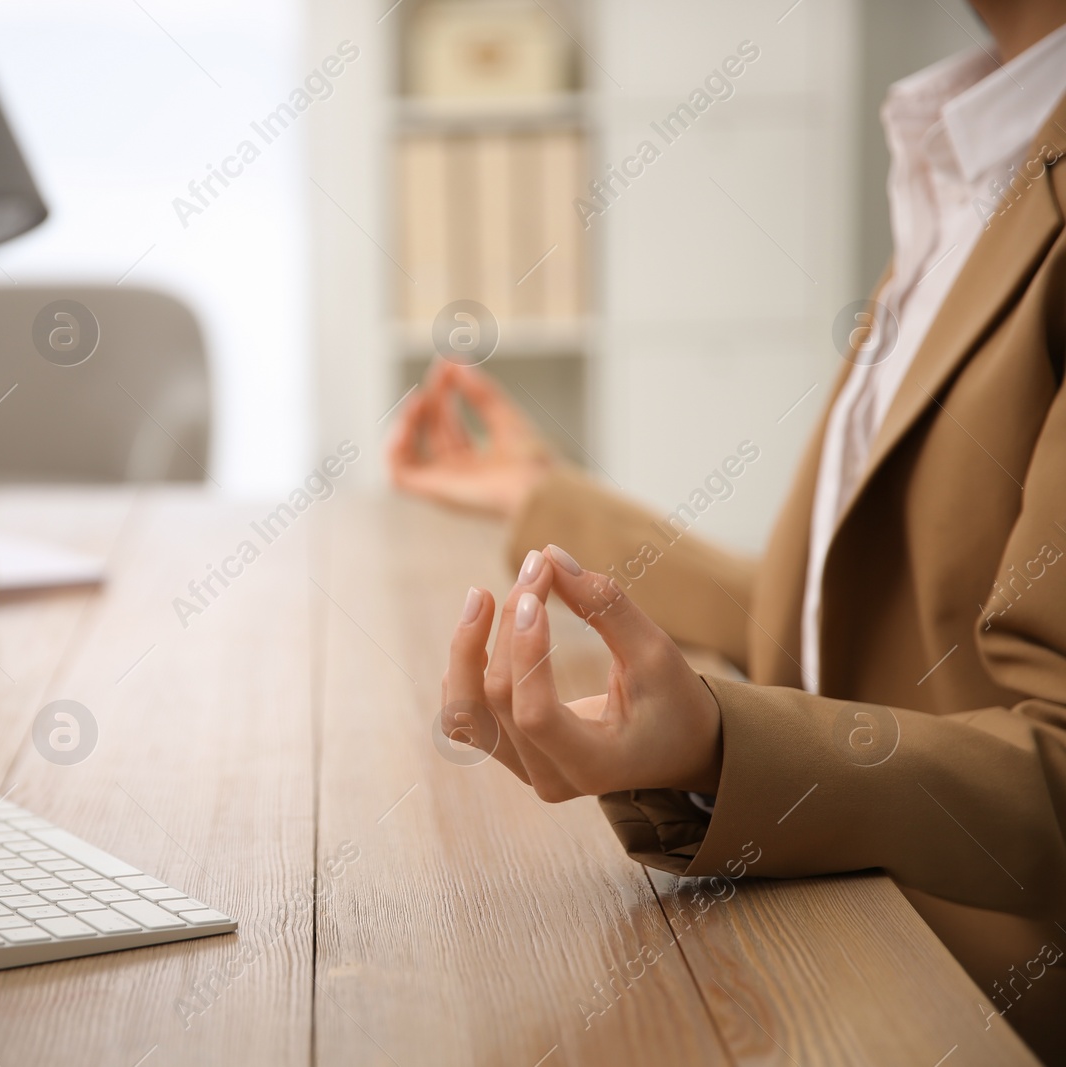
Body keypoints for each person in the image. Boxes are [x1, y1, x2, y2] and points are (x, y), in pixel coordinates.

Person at [390, 4, 1066, 1060]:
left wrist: (718, 745)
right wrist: (546, 496)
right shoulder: (973, 143)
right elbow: (833, 631)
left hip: (967, 992)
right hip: (862, 919)